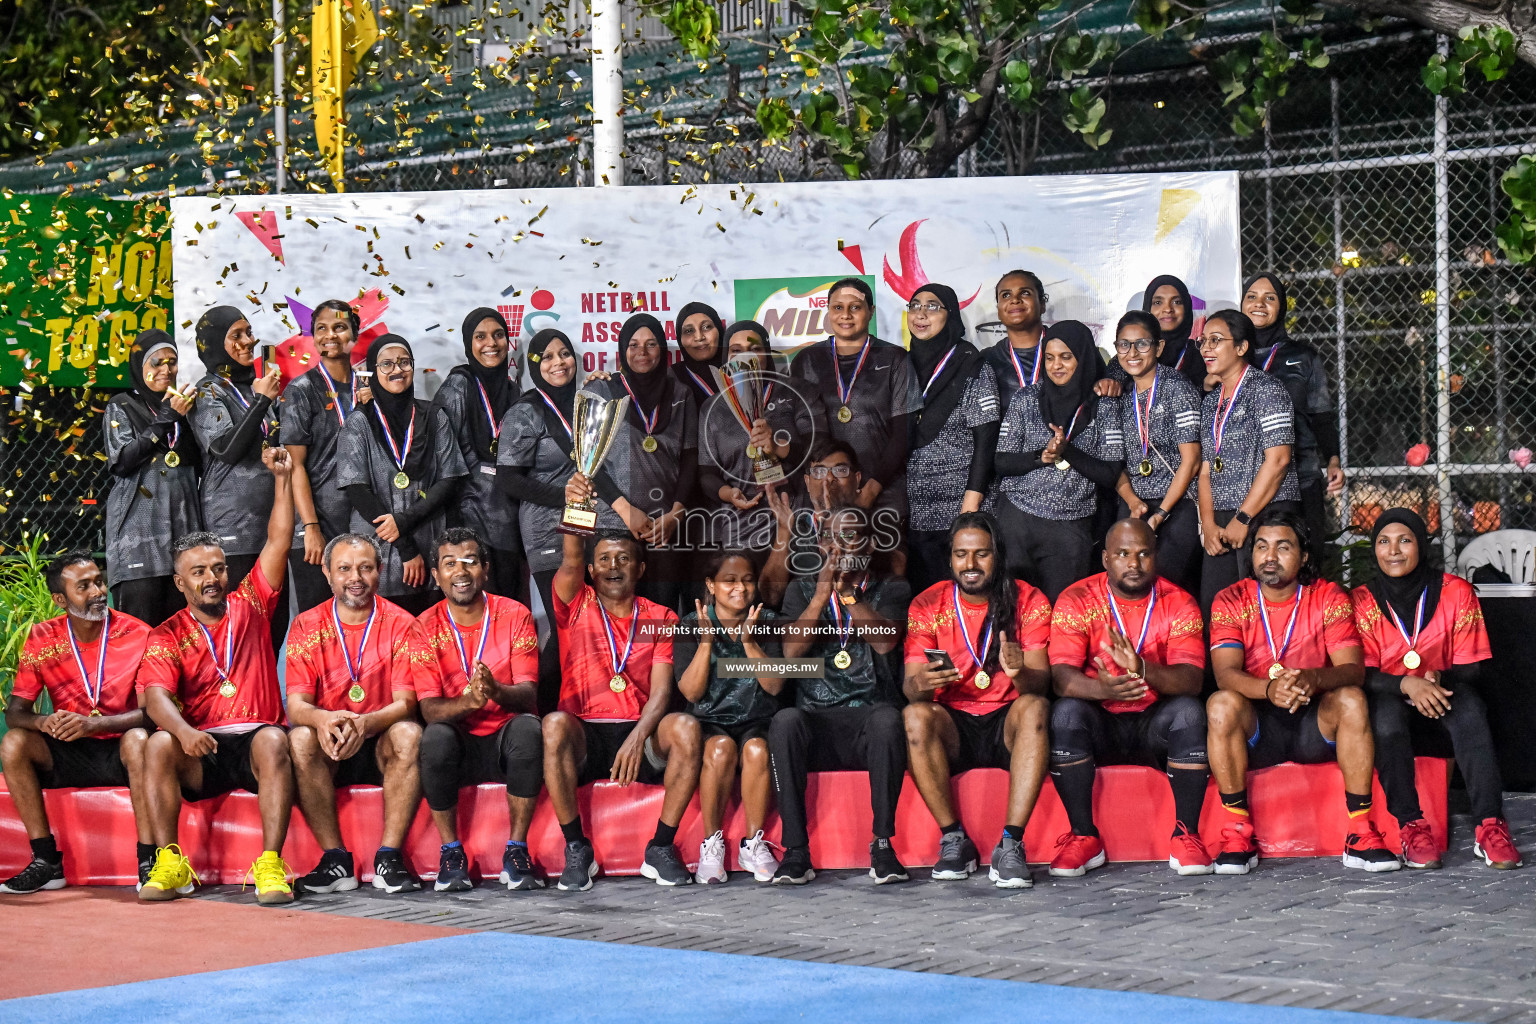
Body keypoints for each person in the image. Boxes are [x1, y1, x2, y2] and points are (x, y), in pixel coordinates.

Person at [135, 446, 297, 905]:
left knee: (272, 739)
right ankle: (169, 862)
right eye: (199, 571)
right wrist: (184, 732)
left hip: (253, 745)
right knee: (159, 742)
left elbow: (279, 540)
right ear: (179, 582)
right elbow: (154, 697)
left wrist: (282, 481)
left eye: (219, 569)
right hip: (200, 747)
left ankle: (269, 865)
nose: (212, 578)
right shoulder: (167, 635)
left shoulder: (251, 605)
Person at [1206, 509, 1399, 874]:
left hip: (1313, 722)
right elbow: (1225, 674)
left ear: (1304, 556)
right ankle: (1237, 833)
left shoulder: (1327, 596)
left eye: (1283, 547)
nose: (1270, 556)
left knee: (1352, 699)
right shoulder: (1229, 599)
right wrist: (1269, 689)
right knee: (1221, 704)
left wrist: (1312, 678)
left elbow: (1353, 670)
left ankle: (1359, 832)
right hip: (1257, 725)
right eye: (1261, 546)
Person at [1351, 509, 1521, 870]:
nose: (1393, 550)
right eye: (1383, 541)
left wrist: (1438, 679)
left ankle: (1490, 825)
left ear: (1421, 545)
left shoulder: (1455, 592)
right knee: (1385, 716)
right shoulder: (1362, 601)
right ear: (1374, 549)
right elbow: (1357, 673)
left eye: (1404, 540)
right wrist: (1405, 684)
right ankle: (1412, 827)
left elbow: (1472, 667)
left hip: (1442, 692)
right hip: (1391, 697)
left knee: (1471, 709)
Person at [1047, 518, 1213, 877]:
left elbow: (1192, 680)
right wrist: (1103, 690)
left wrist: (1141, 667)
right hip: (1100, 721)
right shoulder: (1077, 599)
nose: (1133, 564)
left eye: (1143, 554)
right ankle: (1083, 836)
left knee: (1189, 712)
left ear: (1156, 556)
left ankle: (1187, 834)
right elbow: (1061, 678)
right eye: (1123, 554)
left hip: (1154, 722)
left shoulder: (1179, 602)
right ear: (1105, 559)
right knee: (1065, 713)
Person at [542, 516, 698, 889]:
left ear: (640, 568)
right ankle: (577, 847)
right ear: (592, 570)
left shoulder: (661, 618)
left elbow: (662, 692)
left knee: (687, 728)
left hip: (640, 735)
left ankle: (661, 847)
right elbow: (570, 559)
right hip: (586, 732)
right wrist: (576, 507)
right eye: (606, 559)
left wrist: (636, 737)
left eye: (624, 559)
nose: (614, 566)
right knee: (552, 724)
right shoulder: (575, 603)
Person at [902, 513, 1052, 888]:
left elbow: (1041, 685)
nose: (970, 564)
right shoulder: (926, 604)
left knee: (1036, 707)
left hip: (1007, 722)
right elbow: (910, 688)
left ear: (997, 555)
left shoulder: (1029, 599)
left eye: (981, 554)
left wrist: (1020, 671)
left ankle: (1011, 844)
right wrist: (921, 682)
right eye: (961, 554)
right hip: (955, 724)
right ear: (950, 558)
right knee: (915, 715)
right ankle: (954, 839)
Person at [773, 506, 910, 885]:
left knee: (887, 720)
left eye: (852, 537)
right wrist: (820, 597)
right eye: (833, 538)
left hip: (869, 718)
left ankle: (882, 846)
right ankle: (796, 852)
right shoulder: (800, 588)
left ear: (868, 544)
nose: (842, 546)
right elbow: (789, 655)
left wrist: (849, 595)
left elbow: (885, 644)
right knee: (784, 722)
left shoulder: (891, 587)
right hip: (816, 718)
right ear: (820, 543)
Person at [0, 554, 153, 894]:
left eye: (99, 581)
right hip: (68, 749)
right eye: (83, 587)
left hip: (121, 748)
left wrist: (92, 726)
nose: (98, 591)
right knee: (13, 742)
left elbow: (152, 713)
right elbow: (15, 713)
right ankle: (46, 862)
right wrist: (45, 722)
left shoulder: (137, 633)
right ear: (60, 600)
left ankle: (149, 860)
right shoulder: (43, 637)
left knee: (140, 738)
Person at [285, 533, 424, 895]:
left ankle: (389, 858)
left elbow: (407, 702)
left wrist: (365, 724)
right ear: (327, 574)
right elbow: (297, 706)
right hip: (330, 743)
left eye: (365, 568)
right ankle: (335, 860)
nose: (355, 578)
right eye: (344, 569)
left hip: (381, 741)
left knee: (410, 733)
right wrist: (325, 721)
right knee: (300, 738)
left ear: (380, 571)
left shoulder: (402, 623)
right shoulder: (305, 625)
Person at [499, 328, 627, 711]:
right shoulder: (525, 411)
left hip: (597, 529)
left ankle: (601, 711)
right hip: (547, 532)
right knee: (563, 629)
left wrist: (612, 381)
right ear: (534, 366)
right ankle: (553, 715)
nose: (559, 363)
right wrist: (563, 495)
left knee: (601, 628)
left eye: (565, 353)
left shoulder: (589, 400)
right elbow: (508, 479)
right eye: (548, 357)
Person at [414, 527, 544, 892]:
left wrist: (495, 691)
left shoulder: (515, 614)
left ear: (485, 569)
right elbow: (428, 709)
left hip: (505, 738)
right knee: (435, 736)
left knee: (529, 728)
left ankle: (516, 852)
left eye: (470, 561)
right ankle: (451, 853)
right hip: (459, 742)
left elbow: (528, 694)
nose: (461, 571)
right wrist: (469, 702)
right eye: (450, 563)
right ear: (436, 575)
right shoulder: (423, 626)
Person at [673, 551, 784, 883]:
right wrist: (707, 644)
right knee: (720, 748)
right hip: (711, 719)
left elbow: (776, 686)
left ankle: (753, 844)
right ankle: (712, 843)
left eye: (748, 580)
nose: (741, 588)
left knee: (757, 751)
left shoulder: (769, 620)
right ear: (711, 584)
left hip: (756, 718)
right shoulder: (691, 625)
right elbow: (691, 693)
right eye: (730, 580)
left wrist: (749, 643)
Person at [337, 334, 467, 616]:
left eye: (404, 362)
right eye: (386, 364)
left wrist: (406, 521)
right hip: (379, 551)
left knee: (429, 638)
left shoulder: (434, 416)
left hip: (430, 540)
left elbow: (449, 479)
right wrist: (407, 549)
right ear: (373, 371)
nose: (397, 370)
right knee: (385, 641)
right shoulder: (358, 422)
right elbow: (356, 489)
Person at [994, 321, 1124, 602]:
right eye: (1050, 358)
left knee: (1063, 616)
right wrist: (1042, 456)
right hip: (1016, 521)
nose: (1056, 366)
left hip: (1070, 528)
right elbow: (1001, 461)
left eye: (1066, 357)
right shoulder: (1026, 398)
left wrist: (1067, 451)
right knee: (1013, 611)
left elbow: (1111, 473)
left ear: (1084, 356)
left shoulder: (1104, 403)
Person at [186, 305, 288, 651]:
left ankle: (267, 703)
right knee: (239, 630)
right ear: (215, 344)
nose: (249, 341)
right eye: (237, 336)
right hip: (233, 531)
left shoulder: (258, 389)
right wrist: (261, 401)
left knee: (272, 627)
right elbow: (226, 448)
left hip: (271, 527)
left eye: (249, 332)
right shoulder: (208, 392)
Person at [581, 313, 697, 612]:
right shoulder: (602, 391)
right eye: (633, 345)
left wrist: (676, 514)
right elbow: (588, 462)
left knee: (662, 615)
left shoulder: (681, 393)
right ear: (622, 350)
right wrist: (625, 510)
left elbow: (690, 459)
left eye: (651, 344)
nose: (641, 352)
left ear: (663, 349)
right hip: (612, 524)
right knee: (615, 616)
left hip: (664, 527)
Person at [1196, 309, 1300, 612]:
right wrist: (1209, 525)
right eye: (1203, 341)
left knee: (1263, 609)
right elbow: (1204, 470)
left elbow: (1279, 460)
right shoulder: (1211, 402)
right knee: (1217, 609)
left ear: (1241, 348)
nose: (1206, 348)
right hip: (1222, 522)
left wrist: (1244, 518)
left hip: (1265, 516)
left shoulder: (1267, 389)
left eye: (1216, 341)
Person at [788, 278, 916, 516]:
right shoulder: (805, 361)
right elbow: (800, 437)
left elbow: (903, 434)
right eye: (838, 307)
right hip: (824, 492)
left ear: (871, 312)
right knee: (830, 553)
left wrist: (871, 489)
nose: (845, 315)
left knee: (884, 553)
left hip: (883, 489)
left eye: (855, 307)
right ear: (828, 312)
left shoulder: (895, 358)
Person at [904, 284, 1000, 596]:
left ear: (951, 315)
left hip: (959, 509)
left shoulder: (971, 364)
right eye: (915, 305)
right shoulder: (900, 365)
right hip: (913, 513)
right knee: (925, 602)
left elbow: (987, 439)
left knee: (967, 599)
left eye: (933, 306)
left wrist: (970, 505)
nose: (921, 313)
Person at [1242, 273, 1344, 564]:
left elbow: (1320, 415)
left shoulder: (1304, 356)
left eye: (1269, 298)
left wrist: (1333, 459)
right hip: (1243, 479)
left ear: (1282, 307)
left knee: (1305, 560)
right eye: (1252, 296)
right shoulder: (1227, 355)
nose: (1259, 304)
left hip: (1300, 474)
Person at [104, 330, 202, 627]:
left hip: (182, 534)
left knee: (180, 632)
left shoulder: (184, 407)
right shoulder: (122, 405)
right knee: (139, 632)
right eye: (156, 362)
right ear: (139, 366)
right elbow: (122, 461)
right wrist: (165, 418)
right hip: (139, 538)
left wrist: (177, 415)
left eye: (172, 362)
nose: (166, 370)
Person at [697, 321, 816, 554]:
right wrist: (729, 494)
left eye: (754, 349)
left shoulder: (795, 391)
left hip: (794, 523)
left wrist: (777, 447)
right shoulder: (713, 407)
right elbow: (707, 475)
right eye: (736, 351)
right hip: (741, 528)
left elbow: (817, 451)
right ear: (726, 357)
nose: (745, 358)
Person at [1109, 311, 1204, 594]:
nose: (1132, 353)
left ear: (1159, 348)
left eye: (1142, 344)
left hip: (1176, 505)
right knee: (1129, 589)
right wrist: (1132, 502)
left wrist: (1161, 513)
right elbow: (1113, 460)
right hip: (1134, 505)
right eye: (1124, 345)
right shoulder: (1120, 395)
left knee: (1169, 589)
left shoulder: (1178, 388)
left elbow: (1192, 460)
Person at [433, 308, 523, 599]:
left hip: (509, 513)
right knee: (476, 603)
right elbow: (443, 459)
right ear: (467, 344)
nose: (491, 343)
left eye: (498, 335)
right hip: (470, 515)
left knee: (507, 603)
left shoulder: (512, 390)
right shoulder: (457, 387)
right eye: (480, 336)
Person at [283, 299, 365, 612]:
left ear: (354, 335)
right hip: (317, 526)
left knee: (358, 616)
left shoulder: (366, 388)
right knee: (316, 621)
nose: (330, 335)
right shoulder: (301, 390)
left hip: (359, 523)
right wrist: (310, 527)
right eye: (321, 329)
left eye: (340, 327)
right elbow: (295, 467)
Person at [758, 440, 869, 609]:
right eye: (819, 471)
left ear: (857, 479)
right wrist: (784, 530)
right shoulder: (794, 527)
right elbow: (771, 596)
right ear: (807, 482)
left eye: (840, 470)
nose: (829, 478)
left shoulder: (874, 524)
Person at [981, 270, 1049, 414]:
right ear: (998, 310)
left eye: (1025, 293)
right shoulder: (987, 360)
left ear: (1042, 304)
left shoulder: (1072, 350)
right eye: (1006, 295)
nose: (1015, 299)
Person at [1141, 274, 1205, 389]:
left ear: (1186, 307)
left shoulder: (1203, 355)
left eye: (1177, 302)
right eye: (1158, 303)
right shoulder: (1132, 355)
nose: (1168, 309)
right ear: (1147, 308)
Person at [672, 301, 727, 406]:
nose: (699, 337)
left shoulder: (739, 371)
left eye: (706, 327)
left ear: (719, 330)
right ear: (680, 340)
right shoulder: (672, 378)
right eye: (689, 331)